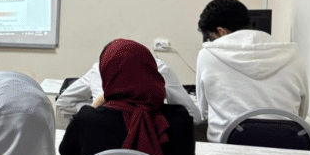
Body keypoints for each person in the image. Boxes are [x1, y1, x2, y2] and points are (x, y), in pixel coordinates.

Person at [57, 39, 196, 155]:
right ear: (152, 71)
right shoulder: (180, 119)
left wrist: (97, 103)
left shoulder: (88, 120)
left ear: (107, 75)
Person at [195, 0, 309, 142]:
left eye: (212, 37)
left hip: (227, 147)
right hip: (286, 146)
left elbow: (204, 111)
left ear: (222, 31)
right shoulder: (292, 54)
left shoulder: (207, 54)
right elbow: (301, 113)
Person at [56, 52, 202, 123]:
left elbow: (64, 102)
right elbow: (194, 117)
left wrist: (94, 108)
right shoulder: (159, 69)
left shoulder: (100, 69)